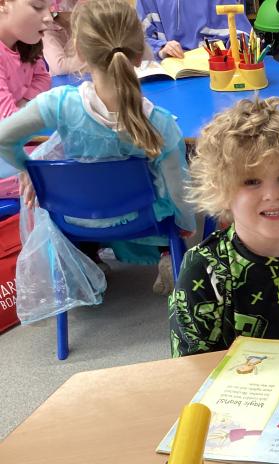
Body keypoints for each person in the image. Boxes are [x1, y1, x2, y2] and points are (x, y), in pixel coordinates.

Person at [0, 0, 195, 286]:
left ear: (79, 51)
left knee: (86, 189)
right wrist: (186, 225)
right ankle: (167, 252)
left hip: (74, 218)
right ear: (139, 54)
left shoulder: (57, 104)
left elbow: (4, 139)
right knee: (161, 193)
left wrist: (28, 168)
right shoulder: (162, 123)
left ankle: (89, 258)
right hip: (144, 219)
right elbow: (178, 189)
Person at [169, 97, 279, 358]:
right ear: (223, 191)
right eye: (251, 181)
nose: (272, 195)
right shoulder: (202, 270)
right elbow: (191, 367)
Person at [0, 0, 52, 200]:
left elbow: (43, 78)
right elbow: (8, 128)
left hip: (14, 143)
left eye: (50, 8)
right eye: (37, 6)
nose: (49, 17)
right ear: (3, 3)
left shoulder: (25, 43)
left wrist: (21, 103)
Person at [42, 0, 153, 76]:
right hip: (75, 81)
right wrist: (98, 58)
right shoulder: (48, 29)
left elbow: (141, 51)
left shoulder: (96, 19)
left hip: (102, 76)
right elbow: (59, 67)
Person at [136, 0, 251, 60]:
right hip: (164, 76)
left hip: (213, 72)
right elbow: (136, 41)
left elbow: (244, 35)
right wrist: (161, 47)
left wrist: (235, 46)